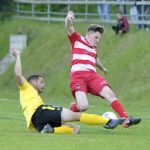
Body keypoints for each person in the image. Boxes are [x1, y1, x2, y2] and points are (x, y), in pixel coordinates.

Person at [10, 48, 124, 134]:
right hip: (42, 112)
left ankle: (50, 130)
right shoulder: (26, 87)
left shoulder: (32, 96)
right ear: (32, 82)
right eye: (41, 82)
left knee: (75, 129)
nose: (43, 85)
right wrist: (18, 56)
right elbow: (18, 74)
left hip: (37, 124)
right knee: (77, 116)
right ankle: (109, 122)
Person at [65, 11, 141, 128]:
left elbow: (95, 59)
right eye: (96, 37)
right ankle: (74, 107)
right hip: (78, 77)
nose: (97, 40)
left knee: (110, 94)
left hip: (92, 76)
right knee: (84, 106)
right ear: (88, 34)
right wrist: (68, 18)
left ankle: (126, 119)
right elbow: (69, 27)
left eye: (99, 38)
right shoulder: (77, 39)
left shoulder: (93, 48)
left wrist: (102, 67)